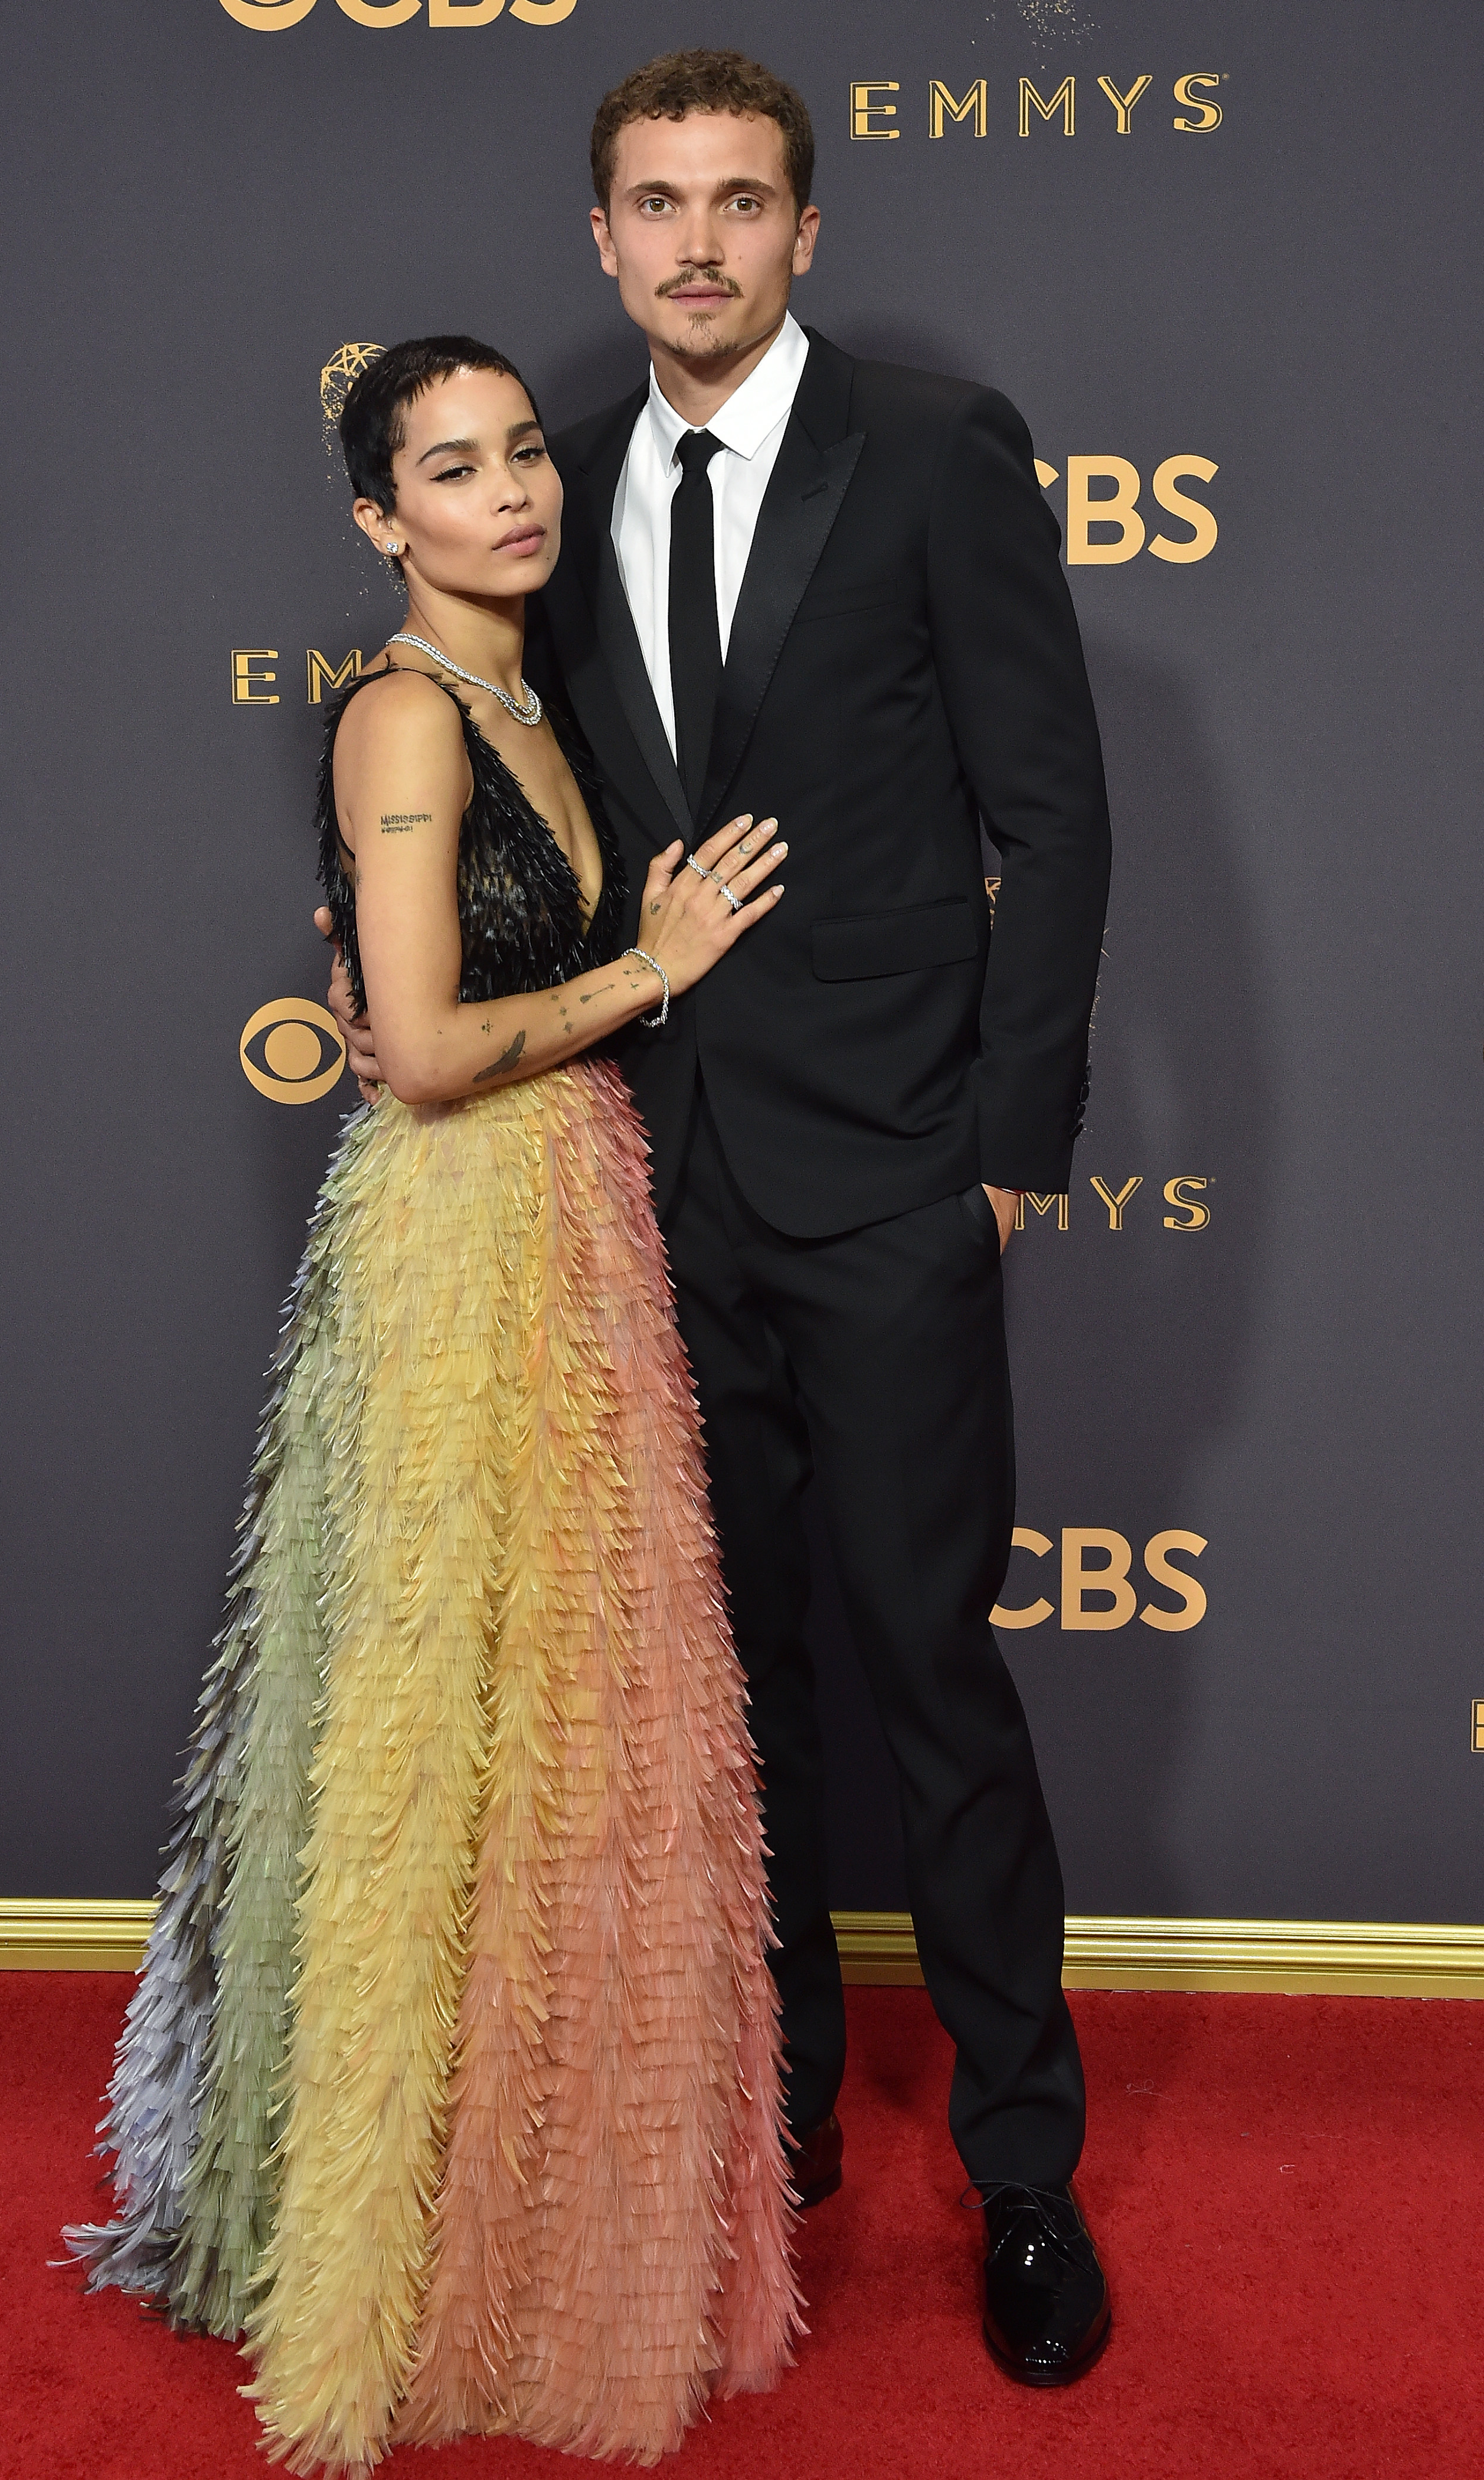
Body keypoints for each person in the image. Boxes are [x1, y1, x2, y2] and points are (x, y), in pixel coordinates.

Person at [331, 50, 1116, 2388]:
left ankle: (1022, 2173)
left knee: (933, 1687)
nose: (694, 241)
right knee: (717, 1709)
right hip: (642, 1206)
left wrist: (1000, 1161)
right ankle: (761, 2130)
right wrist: (378, 971)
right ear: (600, 237)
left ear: (804, 233)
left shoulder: (937, 455)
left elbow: (1051, 826)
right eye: (653, 204)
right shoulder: (544, 499)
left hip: (887, 1191)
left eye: (739, 202)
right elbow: (473, 780)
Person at [66, 336, 802, 2472]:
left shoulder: (528, 698)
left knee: (564, 1718)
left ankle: (549, 2204)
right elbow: (421, 1041)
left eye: (523, 458)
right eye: (451, 471)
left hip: (567, 1221)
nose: (511, 495)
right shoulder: (404, 707)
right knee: (431, 1731)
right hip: (457, 1243)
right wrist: (649, 972)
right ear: (381, 520)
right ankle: (394, 2234)